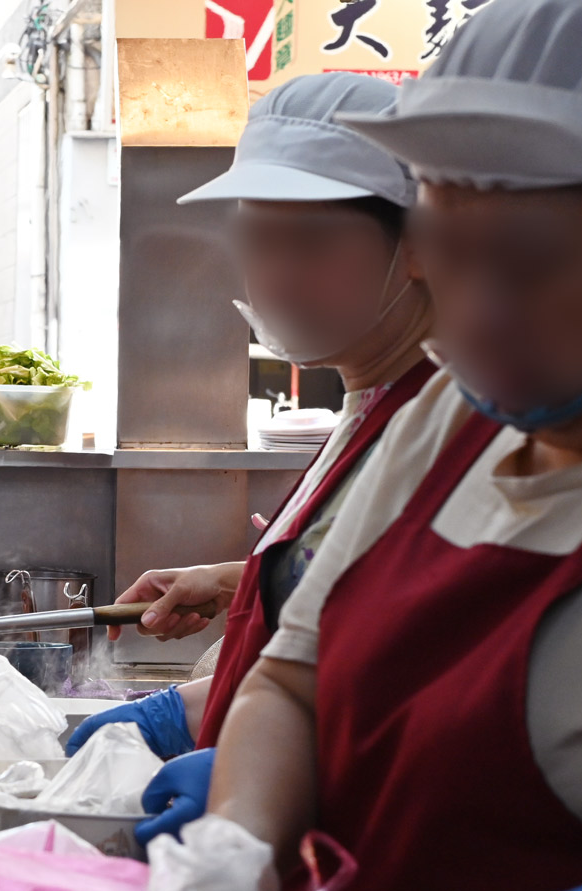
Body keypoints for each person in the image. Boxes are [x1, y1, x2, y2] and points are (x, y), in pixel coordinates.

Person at [199, 2, 582, 891]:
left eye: (531, 261)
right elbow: (291, 681)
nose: (478, 308)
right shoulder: (449, 415)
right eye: (447, 244)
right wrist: (238, 839)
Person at [66, 72, 435, 843]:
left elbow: (413, 674)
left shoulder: (439, 422)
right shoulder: (363, 407)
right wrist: (242, 585)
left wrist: (205, 726)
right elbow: (351, 583)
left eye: (309, 242)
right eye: (256, 239)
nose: (272, 275)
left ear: (418, 247)